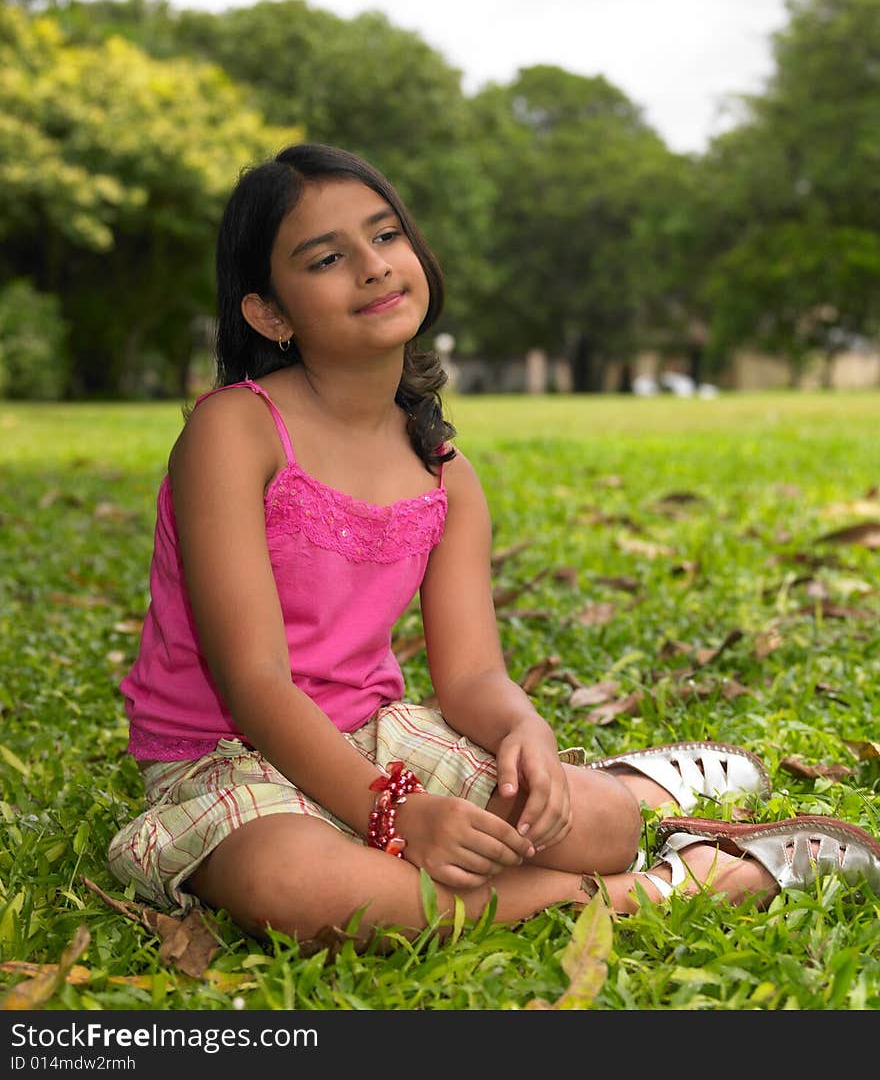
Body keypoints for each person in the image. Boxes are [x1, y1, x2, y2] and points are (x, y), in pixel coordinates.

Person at [107, 143, 880, 945]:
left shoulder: (444, 473)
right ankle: (663, 886)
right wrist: (397, 813)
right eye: (328, 257)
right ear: (270, 312)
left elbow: (473, 674)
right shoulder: (234, 430)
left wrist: (527, 733)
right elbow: (254, 682)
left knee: (599, 824)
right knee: (297, 887)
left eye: (385, 236)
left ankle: (631, 789)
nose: (373, 267)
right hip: (222, 752)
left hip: (374, 733)